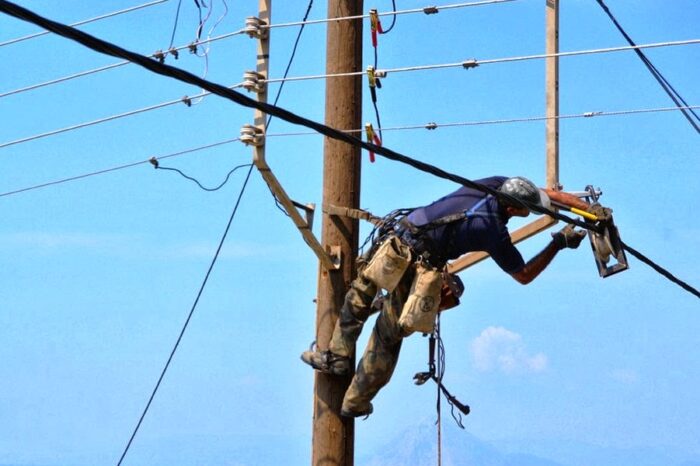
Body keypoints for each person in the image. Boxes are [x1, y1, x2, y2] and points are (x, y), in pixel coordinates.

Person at [301, 176, 597, 418]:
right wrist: (558, 243)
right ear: (512, 210)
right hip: (417, 264)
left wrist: (587, 211)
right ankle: (354, 401)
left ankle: (338, 356)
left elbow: (542, 194)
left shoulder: (495, 183)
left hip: (399, 241)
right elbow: (523, 275)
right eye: (524, 212)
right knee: (387, 335)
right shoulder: (492, 230)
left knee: (359, 295)